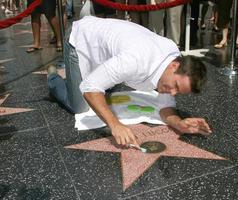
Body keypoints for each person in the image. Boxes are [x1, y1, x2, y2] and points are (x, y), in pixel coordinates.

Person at [47, 16, 212, 148]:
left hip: (110, 53)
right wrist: (115, 125)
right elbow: (90, 87)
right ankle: (53, 78)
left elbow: (165, 106)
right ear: (174, 66)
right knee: (80, 106)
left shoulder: (172, 61)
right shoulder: (135, 60)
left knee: (106, 85)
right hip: (80, 39)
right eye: (175, 86)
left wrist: (179, 123)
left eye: (178, 92)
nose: (173, 93)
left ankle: (85, 76)